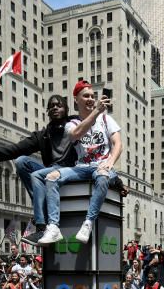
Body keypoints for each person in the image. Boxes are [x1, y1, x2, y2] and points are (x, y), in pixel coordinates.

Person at [0, 95, 77, 245]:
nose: (55, 107)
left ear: (66, 109)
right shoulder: (43, 135)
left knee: (37, 175)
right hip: (51, 172)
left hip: (70, 171)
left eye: (59, 105)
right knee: (21, 161)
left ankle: (41, 226)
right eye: (52, 105)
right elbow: (15, 149)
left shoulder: (76, 126)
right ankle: (42, 209)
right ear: (47, 111)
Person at [39, 80, 122, 245]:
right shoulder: (71, 123)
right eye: (86, 96)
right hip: (81, 167)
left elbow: (118, 143)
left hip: (102, 167)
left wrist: (110, 161)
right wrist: (96, 112)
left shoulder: (106, 119)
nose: (91, 99)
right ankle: (53, 227)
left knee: (103, 175)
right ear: (76, 99)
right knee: (51, 177)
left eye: (93, 96)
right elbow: (76, 134)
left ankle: (88, 223)